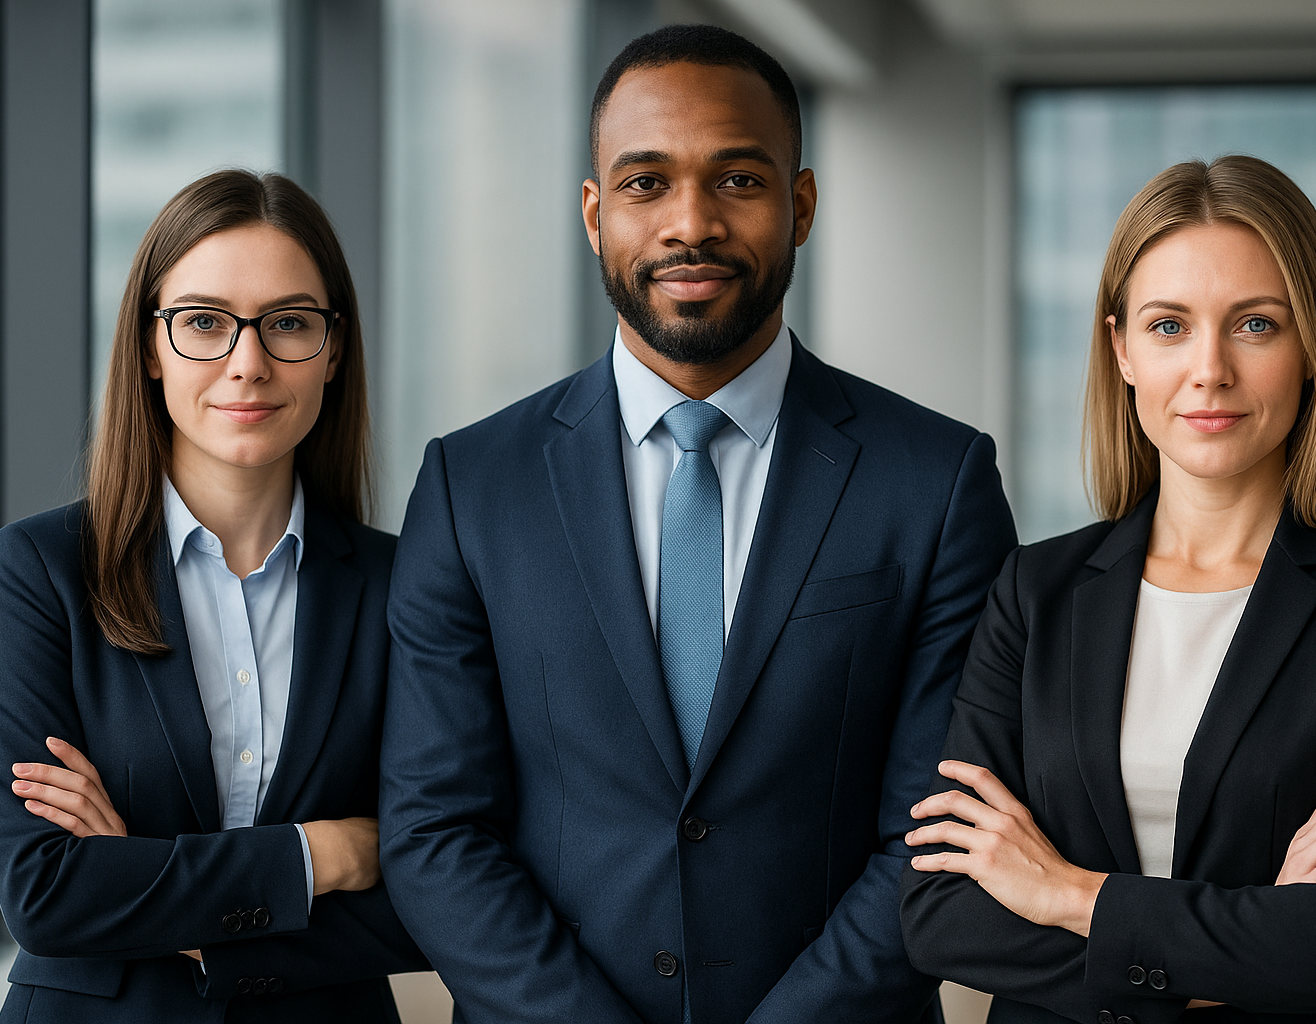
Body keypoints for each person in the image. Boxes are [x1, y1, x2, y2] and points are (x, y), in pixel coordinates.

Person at [378, 23, 1017, 1024]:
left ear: (800, 204)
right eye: (645, 184)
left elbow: (938, 834)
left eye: (738, 181)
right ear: (593, 214)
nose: (691, 224)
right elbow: (433, 827)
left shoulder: (937, 483)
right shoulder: (472, 484)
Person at [899, 155, 1316, 1024]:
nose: (1210, 370)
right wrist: (1251, 947)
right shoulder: (1035, 589)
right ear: (1120, 347)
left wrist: (1065, 892)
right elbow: (943, 917)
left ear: (1311, 344)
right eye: (1170, 327)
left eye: (1255, 325)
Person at [0, 169, 426, 1023]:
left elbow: (435, 890)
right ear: (150, 346)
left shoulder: (407, 585)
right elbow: (45, 893)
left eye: (289, 323)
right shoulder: (42, 569)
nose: (246, 363)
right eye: (204, 324)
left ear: (333, 349)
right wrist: (319, 855)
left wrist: (147, 882)